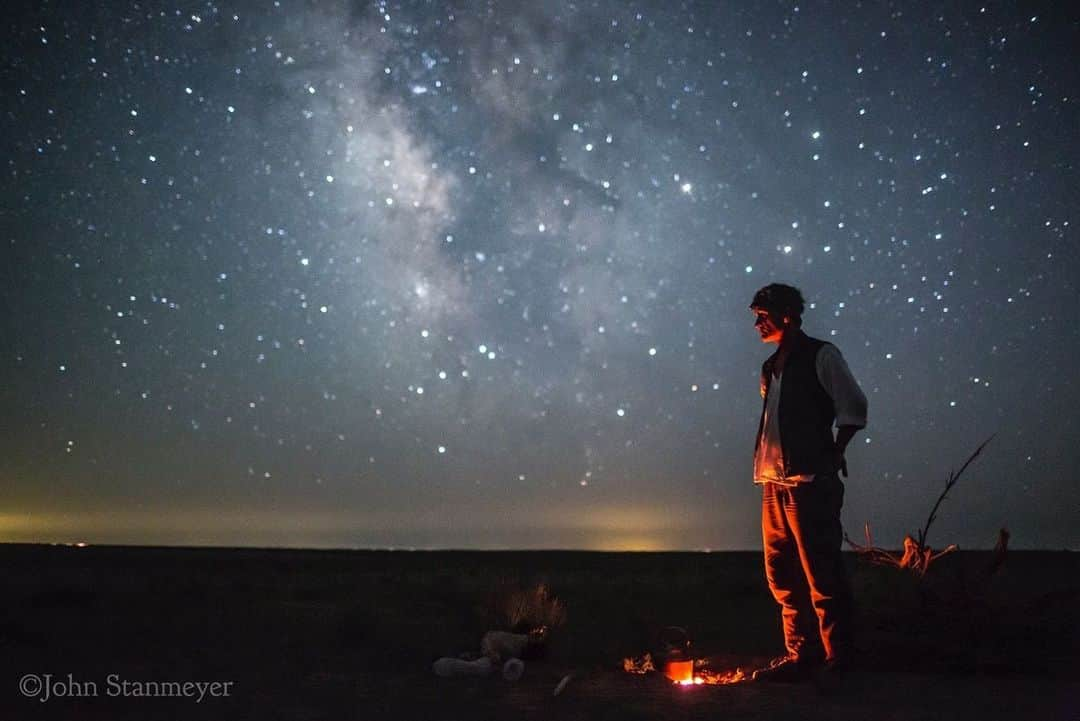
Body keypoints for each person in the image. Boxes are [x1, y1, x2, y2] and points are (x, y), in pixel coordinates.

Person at [746, 283, 867, 687]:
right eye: (756, 316)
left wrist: (836, 450)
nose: (757, 323)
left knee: (821, 573)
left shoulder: (821, 355)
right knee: (781, 573)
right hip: (773, 482)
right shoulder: (769, 367)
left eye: (763, 314)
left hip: (809, 481)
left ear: (787, 315)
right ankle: (802, 655)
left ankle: (841, 662)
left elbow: (853, 406)